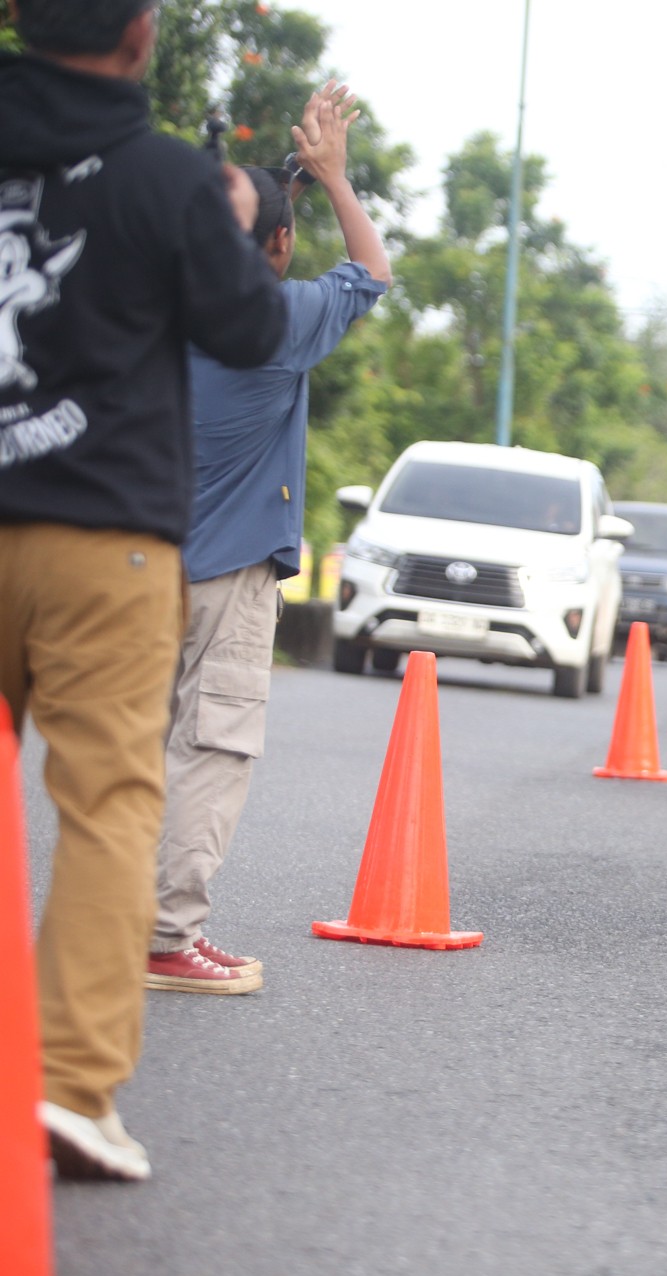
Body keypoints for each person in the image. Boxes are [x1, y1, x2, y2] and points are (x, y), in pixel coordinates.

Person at [0, 0, 287, 1180]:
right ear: (139, 35)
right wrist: (230, 222)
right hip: (102, 535)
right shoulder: (167, 177)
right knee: (109, 804)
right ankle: (70, 1088)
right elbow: (251, 327)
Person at [147, 82, 392, 996]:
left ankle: (107, 921)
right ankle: (166, 936)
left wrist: (276, 190)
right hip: (226, 576)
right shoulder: (277, 322)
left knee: (131, 753)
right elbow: (370, 271)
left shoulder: (150, 310)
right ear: (280, 247)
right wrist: (333, 178)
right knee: (210, 749)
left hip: (130, 564)